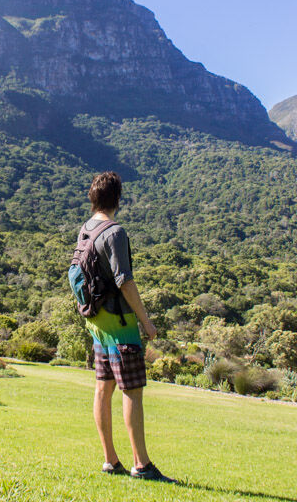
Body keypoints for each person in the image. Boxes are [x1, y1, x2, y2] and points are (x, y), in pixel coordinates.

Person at [79, 171, 175, 483]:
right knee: (132, 390)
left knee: (103, 388)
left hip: (97, 323)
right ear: (117, 199)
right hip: (120, 323)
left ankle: (110, 460)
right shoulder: (115, 232)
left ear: (93, 197)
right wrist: (146, 322)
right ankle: (141, 465)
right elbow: (125, 281)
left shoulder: (86, 230)